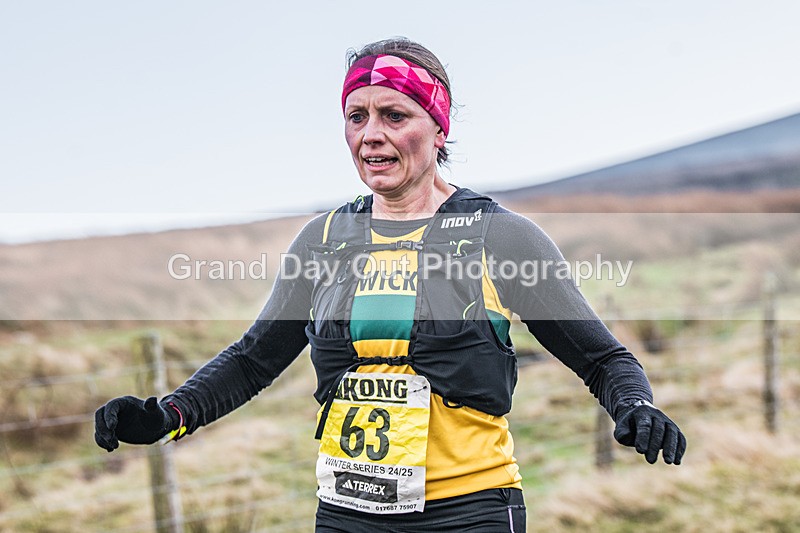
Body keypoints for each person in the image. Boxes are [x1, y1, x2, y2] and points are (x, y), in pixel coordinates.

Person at [95, 37, 686, 532]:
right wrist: (166, 415)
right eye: (357, 117)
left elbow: (604, 359)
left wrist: (634, 406)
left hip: (469, 512)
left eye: (394, 116)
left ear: (438, 129)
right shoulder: (323, 240)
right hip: (346, 513)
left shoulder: (499, 238)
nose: (370, 135)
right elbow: (253, 360)